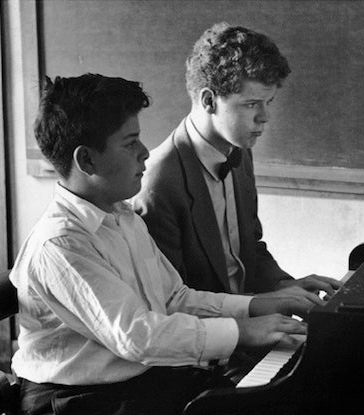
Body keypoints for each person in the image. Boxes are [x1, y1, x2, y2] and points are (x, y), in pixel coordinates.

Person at [10, 73, 319, 415]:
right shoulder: (61, 245)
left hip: (137, 385)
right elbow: (137, 336)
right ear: (86, 161)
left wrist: (259, 305)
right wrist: (243, 332)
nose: (144, 153)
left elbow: (174, 297)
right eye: (130, 141)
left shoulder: (119, 215)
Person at [131, 22, 342, 297]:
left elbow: (250, 249)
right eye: (251, 104)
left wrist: (282, 285)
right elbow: (173, 303)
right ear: (209, 101)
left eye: (269, 103)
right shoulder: (157, 184)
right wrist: (264, 307)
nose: (264, 117)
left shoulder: (239, 151)